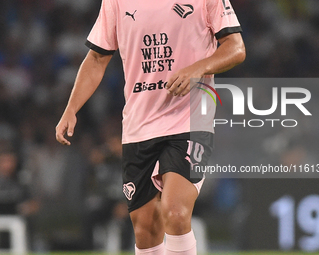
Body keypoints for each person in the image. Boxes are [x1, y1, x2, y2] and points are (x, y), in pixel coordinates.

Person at [56, 0, 245, 253]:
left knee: (175, 212)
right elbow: (97, 58)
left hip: (189, 119)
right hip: (140, 125)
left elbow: (236, 47)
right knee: (145, 228)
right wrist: (71, 108)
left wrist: (198, 69)